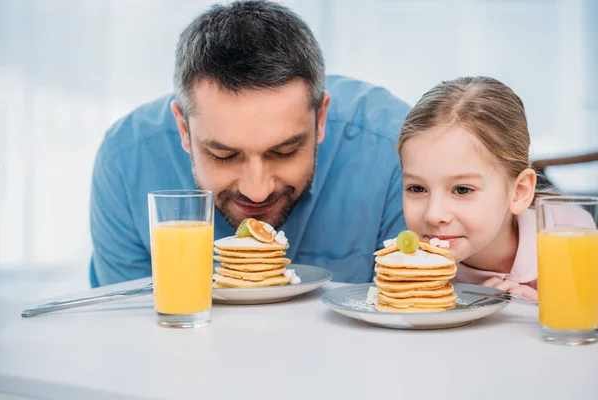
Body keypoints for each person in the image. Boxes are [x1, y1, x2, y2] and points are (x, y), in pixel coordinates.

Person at [89, 0, 411, 287]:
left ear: (321, 118)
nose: (257, 191)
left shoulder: (396, 149)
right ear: (183, 128)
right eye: (224, 155)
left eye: (284, 151)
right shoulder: (124, 162)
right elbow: (131, 329)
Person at [397, 76, 554, 301]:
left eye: (462, 190)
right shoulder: (410, 267)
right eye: (417, 188)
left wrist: (545, 311)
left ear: (519, 192)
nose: (434, 215)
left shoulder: (573, 239)